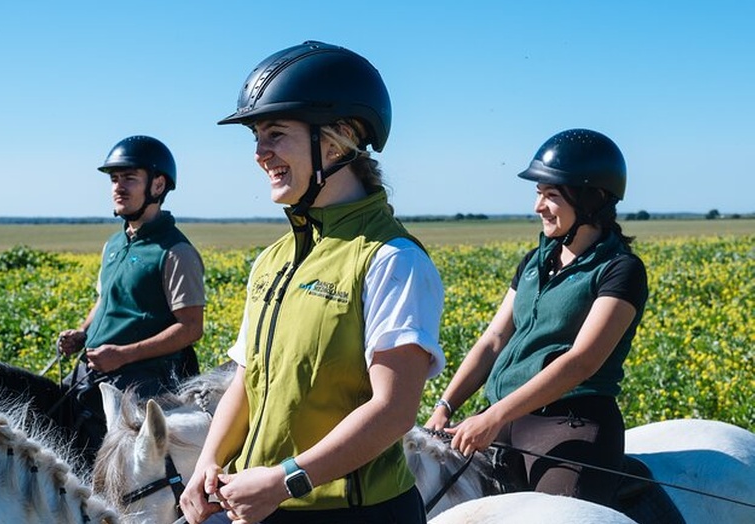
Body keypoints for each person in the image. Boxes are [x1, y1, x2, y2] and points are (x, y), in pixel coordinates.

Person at [180, 41, 445, 524]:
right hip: (261, 504)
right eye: (256, 137)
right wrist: (207, 462)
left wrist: (286, 480)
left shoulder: (391, 258)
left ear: (338, 139)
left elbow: (394, 410)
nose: (261, 154)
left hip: (352, 513)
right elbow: (247, 377)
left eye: (276, 133)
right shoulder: (273, 259)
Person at [424, 128, 648, 507]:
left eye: (551, 196)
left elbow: (581, 361)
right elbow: (494, 340)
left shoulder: (620, 270)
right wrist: (445, 407)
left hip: (570, 425)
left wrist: (493, 417)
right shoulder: (534, 262)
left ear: (591, 200)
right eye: (538, 193)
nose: (538, 206)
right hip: (502, 417)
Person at [56, 135, 206, 463]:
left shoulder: (175, 251)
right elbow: (106, 300)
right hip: (97, 367)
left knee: (124, 468)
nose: (118, 188)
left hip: (142, 379)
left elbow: (191, 328)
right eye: (114, 179)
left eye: (130, 178)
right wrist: (83, 332)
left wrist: (123, 355)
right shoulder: (113, 244)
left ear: (158, 185)